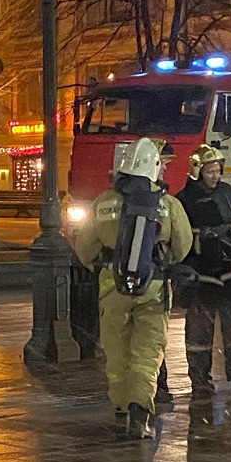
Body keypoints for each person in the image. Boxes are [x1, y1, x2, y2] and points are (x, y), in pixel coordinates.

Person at [70, 136, 194, 438]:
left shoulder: (104, 202)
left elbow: (84, 247)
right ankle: (141, 412)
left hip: (112, 285)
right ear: (153, 168)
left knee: (115, 350)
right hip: (152, 285)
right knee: (147, 352)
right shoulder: (168, 204)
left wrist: (100, 268)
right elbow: (183, 244)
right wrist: (163, 263)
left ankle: (120, 409)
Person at [177, 144, 231, 398]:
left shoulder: (229, 194)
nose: (215, 176)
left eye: (218, 170)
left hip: (230, 275)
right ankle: (199, 381)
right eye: (210, 171)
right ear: (198, 170)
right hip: (201, 275)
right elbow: (181, 236)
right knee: (199, 333)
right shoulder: (185, 199)